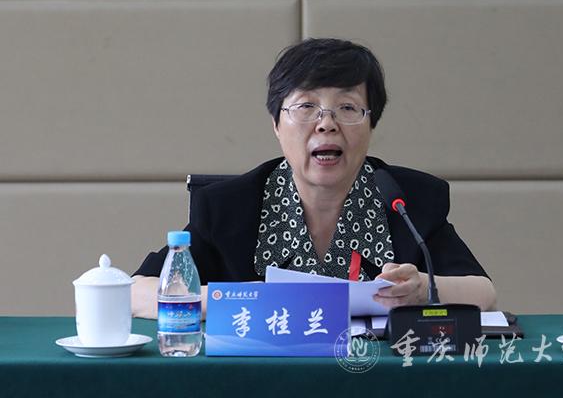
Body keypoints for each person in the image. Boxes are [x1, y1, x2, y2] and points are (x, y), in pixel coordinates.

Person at [132, 38, 496, 319]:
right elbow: (136, 291)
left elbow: (483, 292)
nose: (326, 123)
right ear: (276, 124)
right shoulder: (228, 206)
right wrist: (238, 299)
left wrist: (423, 289)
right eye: (306, 106)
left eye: (348, 107)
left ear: (372, 125)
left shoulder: (408, 199)